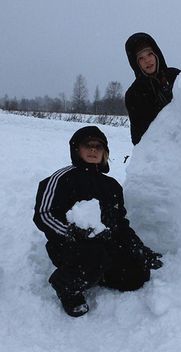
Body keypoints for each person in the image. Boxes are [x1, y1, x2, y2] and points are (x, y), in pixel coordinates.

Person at [33, 126, 163, 317]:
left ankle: (96, 274)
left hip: (102, 245)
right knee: (95, 255)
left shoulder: (111, 186)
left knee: (136, 275)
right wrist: (71, 232)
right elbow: (44, 214)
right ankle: (66, 285)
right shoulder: (63, 178)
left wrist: (140, 250)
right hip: (67, 245)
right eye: (88, 145)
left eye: (98, 146)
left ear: (105, 153)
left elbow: (120, 224)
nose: (93, 150)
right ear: (77, 149)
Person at [125, 32, 180, 145]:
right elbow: (138, 138)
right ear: (136, 63)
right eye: (141, 58)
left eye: (149, 54)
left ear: (156, 54)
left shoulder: (176, 76)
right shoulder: (134, 94)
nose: (147, 60)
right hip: (162, 151)